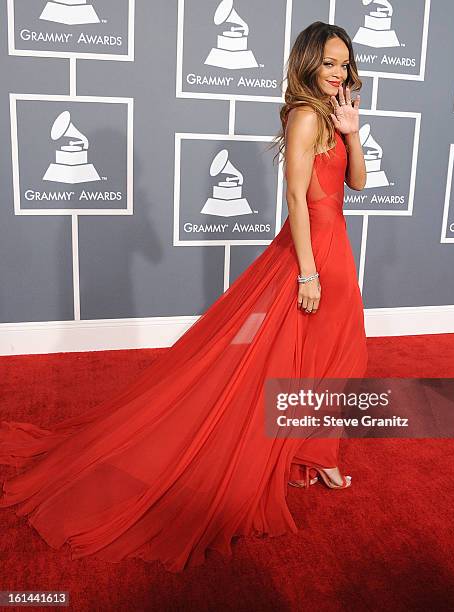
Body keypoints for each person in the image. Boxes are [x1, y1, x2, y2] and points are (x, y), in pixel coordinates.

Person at [0, 21, 367, 573]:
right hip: (311, 253)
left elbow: (358, 186)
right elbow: (295, 196)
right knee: (288, 356)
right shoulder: (304, 115)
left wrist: (356, 132)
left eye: (345, 63)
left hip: (339, 249)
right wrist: (307, 275)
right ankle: (314, 455)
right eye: (329, 63)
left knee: (337, 356)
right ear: (308, 63)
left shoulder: (336, 117)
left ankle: (313, 452)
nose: (338, 72)